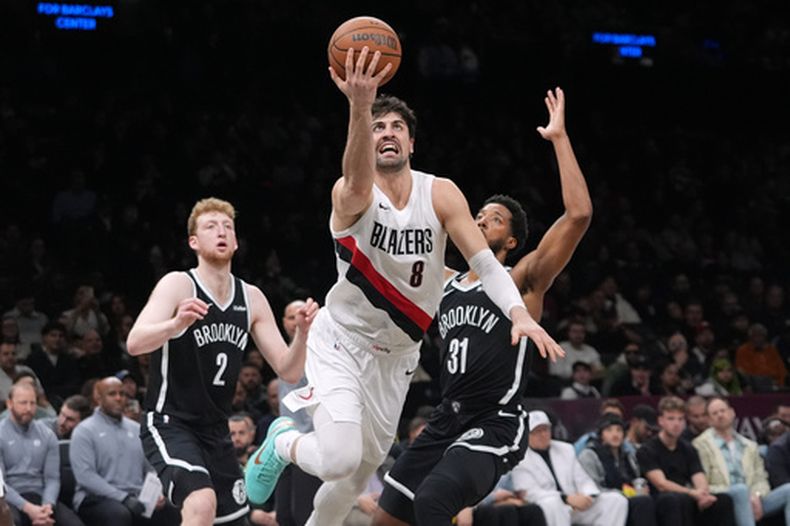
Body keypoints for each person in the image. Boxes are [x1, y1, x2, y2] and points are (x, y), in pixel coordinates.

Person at [246, 49, 565, 526]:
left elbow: (486, 263)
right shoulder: (350, 194)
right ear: (364, 139)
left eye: (396, 127)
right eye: (378, 127)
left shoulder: (440, 193)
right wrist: (359, 105)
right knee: (337, 458)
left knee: (355, 476)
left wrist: (519, 312)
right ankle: (284, 442)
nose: (387, 133)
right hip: (343, 341)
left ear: (412, 143)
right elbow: (355, 177)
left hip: (397, 358)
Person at [373, 86, 590, 525]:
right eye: (478, 215)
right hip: (445, 418)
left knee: (433, 501)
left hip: (496, 422)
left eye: (494, 218)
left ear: (511, 241)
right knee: (386, 520)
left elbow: (579, 215)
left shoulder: (522, 280)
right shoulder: (444, 280)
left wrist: (560, 139)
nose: (480, 219)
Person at [127, 197, 319, 526]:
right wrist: (175, 325)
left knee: (234, 520)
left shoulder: (252, 297)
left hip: (217, 431)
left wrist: (301, 334)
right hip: (170, 422)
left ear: (236, 241)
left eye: (228, 227)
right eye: (210, 226)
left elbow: (289, 369)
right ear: (194, 242)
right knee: (201, 505)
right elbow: (135, 342)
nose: (221, 232)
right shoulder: (178, 284)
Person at [70, 376, 180, 526]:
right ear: (98, 398)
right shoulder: (84, 431)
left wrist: (156, 493)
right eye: (112, 394)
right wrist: (123, 497)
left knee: (171, 510)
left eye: (122, 394)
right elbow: (86, 477)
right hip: (95, 498)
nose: (118, 398)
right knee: (119, 514)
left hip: (136, 496)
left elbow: (151, 469)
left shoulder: (136, 429)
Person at [510, 411, 628, 526]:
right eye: (536, 431)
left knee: (616, 500)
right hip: (550, 507)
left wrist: (588, 496)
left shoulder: (565, 449)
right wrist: (565, 498)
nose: (543, 435)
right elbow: (529, 492)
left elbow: (582, 479)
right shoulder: (520, 458)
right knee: (553, 504)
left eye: (545, 430)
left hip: (576, 505)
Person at [636, 396, 735, 526]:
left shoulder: (688, 448)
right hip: (660, 499)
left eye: (680, 419)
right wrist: (692, 493)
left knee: (723, 500)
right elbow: (661, 484)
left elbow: (699, 476)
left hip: (688, 496)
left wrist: (702, 494)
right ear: (661, 421)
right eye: (671, 418)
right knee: (675, 499)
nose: (676, 424)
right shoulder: (647, 449)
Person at [692, 396, 790, 526]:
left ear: (732, 413)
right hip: (723, 498)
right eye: (715, 413)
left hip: (753, 499)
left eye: (723, 410)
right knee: (740, 490)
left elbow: (761, 479)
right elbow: (703, 484)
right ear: (709, 420)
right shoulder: (700, 445)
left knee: (789, 490)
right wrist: (744, 495)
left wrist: (756, 495)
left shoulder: (749, 445)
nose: (720, 415)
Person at [0, 382, 85, 526]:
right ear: (9, 404)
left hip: (42, 497)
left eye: (32, 403)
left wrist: (47, 507)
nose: (28, 408)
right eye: (23, 403)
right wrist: (28, 509)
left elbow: (52, 478)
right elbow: (2, 486)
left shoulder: (47, 434)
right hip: (12, 498)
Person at [274, 299, 324, 526]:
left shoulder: (320, 349)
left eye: (301, 314)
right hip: (283, 440)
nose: (297, 320)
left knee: (304, 514)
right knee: (284, 515)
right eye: (291, 316)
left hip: (308, 440)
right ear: (283, 322)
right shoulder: (279, 350)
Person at [577, 413, 657, 526]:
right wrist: (627, 494)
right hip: (603, 502)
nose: (615, 435)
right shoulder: (589, 455)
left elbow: (635, 479)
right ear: (601, 434)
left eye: (619, 430)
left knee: (650, 500)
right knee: (641, 503)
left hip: (629, 498)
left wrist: (641, 489)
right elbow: (593, 489)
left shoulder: (628, 455)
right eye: (609, 430)